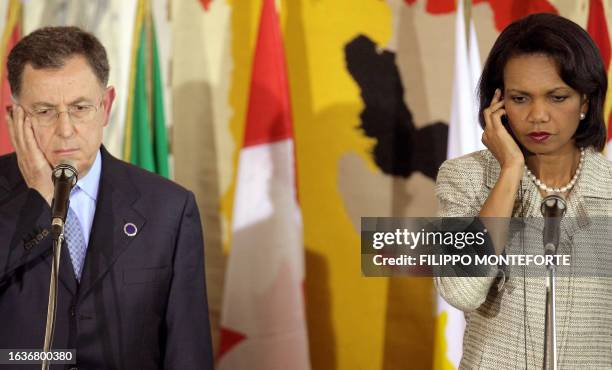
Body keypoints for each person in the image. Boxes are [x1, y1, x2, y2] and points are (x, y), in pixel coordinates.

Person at [0, 26, 213, 369]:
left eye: (81, 107)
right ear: (15, 117)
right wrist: (39, 198)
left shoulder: (169, 209)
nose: (65, 129)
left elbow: (187, 351)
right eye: (44, 111)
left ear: (107, 105)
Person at [435, 13, 612, 368]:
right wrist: (510, 170)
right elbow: (461, 291)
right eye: (520, 99)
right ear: (497, 105)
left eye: (557, 97)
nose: (538, 116)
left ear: (586, 103)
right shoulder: (465, 177)